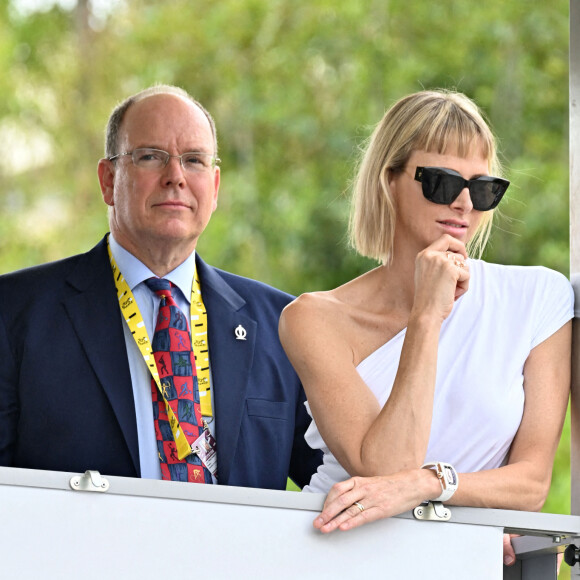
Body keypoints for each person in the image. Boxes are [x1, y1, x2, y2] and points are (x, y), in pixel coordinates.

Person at [279, 89, 573, 564]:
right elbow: (384, 467)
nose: (463, 203)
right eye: (440, 181)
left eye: (482, 189)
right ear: (388, 180)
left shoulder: (538, 299)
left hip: (460, 563)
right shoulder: (313, 318)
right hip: (334, 556)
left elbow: (531, 484)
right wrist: (427, 316)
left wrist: (427, 482)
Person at [0, 84, 321, 490]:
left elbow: (338, 478)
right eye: (151, 157)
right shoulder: (14, 313)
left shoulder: (282, 325)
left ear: (215, 187)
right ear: (107, 179)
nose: (175, 178)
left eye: (194, 161)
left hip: (236, 555)